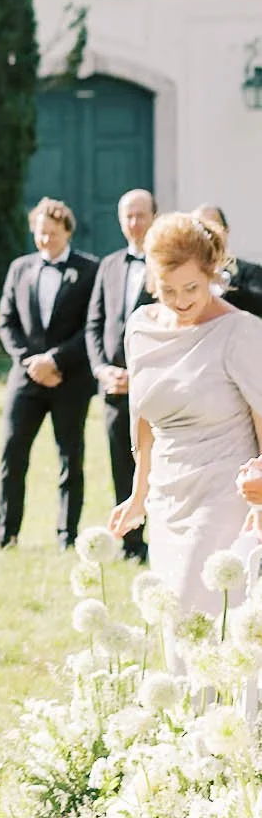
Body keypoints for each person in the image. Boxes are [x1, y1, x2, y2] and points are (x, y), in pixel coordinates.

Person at [109, 211, 262, 618]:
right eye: (167, 290)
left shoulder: (240, 331)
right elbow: (142, 418)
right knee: (169, 622)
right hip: (166, 496)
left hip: (224, 495)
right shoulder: (141, 328)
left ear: (211, 272)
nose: (181, 301)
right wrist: (139, 495)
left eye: (192, 287)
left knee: (198, 614)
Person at [0, 198, 98, 550]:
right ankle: (5, 535)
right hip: (26, 380)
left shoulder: (89, 270)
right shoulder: (20, 269)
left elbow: (91, 327)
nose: (45, 240)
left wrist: (55, 360)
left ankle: (67, 536)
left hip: (70, 380)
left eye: (52, 234)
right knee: (13, 453)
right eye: (40, 234)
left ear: (66, 231)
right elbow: (7, 321)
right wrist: (30, 362)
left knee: (71, 457)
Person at [85, 187, 156, 559]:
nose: (133, 223)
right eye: (128, 216)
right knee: (120, 462)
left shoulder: (167, 266)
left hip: (152, 386)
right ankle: (131, 543)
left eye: (140, 215)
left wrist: (139, 375)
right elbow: (93, 324)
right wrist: (101, 369)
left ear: (154, 218)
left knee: (157, 465)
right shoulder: (108, 265)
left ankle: (161, 539)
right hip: (113, 387)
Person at [193, 204, 262, 321]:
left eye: (214, 227)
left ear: (226, 229)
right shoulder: (186, 275)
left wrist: (224, 286)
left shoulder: (250, 271)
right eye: (202, 229)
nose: (208, 236)